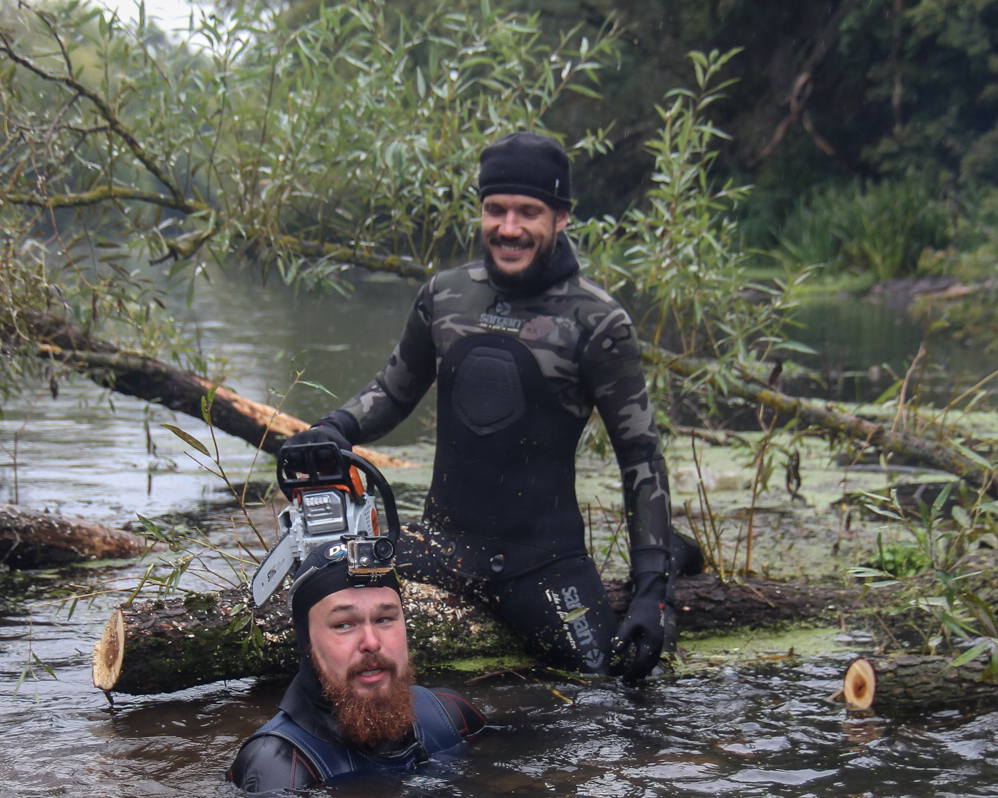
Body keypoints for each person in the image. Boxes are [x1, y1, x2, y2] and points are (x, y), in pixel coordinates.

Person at [281, 131, 702, 682]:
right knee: (318, 649)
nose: (509, 228)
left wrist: (650, 594)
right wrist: (334, 428)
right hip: (437, 549)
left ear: (562, 217)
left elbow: (641, 457)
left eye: (528, 212)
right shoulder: (446, 296)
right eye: (495, 209)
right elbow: (393, 390)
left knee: (614, 694)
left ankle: (669, 556)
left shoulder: (597, 322)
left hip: (543, 564)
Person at [229, 543, 486, 793]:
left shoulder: (451, 716)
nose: (371, 643)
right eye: (344, 624)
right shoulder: (279, 767)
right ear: (306, 642)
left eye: (384, 619)